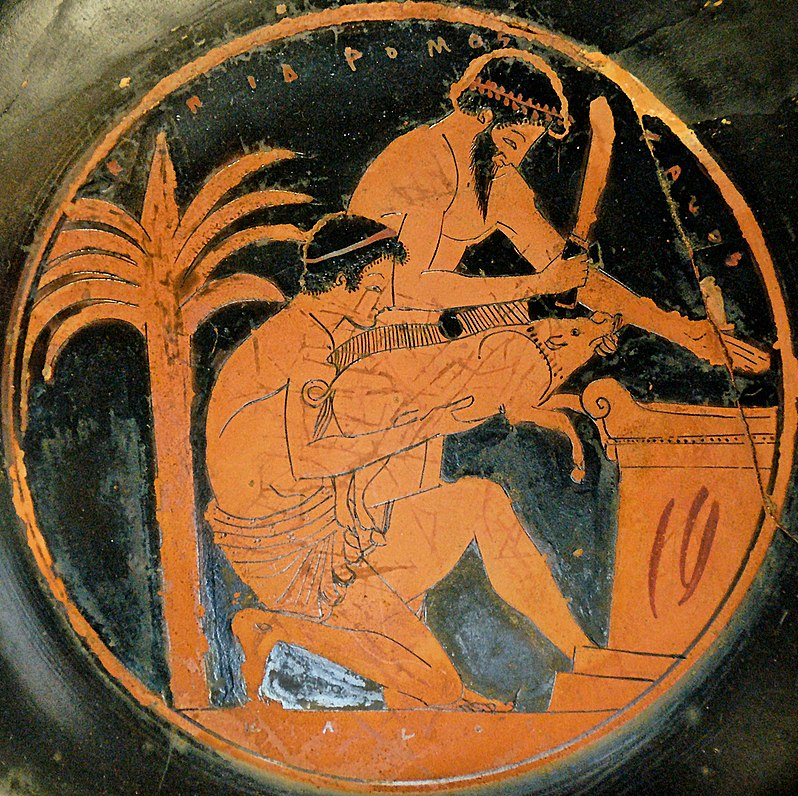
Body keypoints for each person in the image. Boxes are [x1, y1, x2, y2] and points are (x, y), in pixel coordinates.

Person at [205, 213, 594, 710]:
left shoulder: (316, 330)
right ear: (342, 282)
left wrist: (535, 305)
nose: (380, 301)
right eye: (373, 288)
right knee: (438, 686)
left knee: (481, 501)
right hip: (294, 554)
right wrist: (430, 423)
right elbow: (310, 458)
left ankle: (585, 657)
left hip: (324, 521)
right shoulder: (306, 346)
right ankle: (273, 631)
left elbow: (428, 325)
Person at [348, 48, 770, 374]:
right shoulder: (426, 160)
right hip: (362, 335)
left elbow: (573, 276)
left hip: (422, 337)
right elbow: (409, 288)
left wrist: (687, 334)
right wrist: (538, 285)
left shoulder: (496, 178)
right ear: (484, 116)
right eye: (512, 142)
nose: (513, 160)